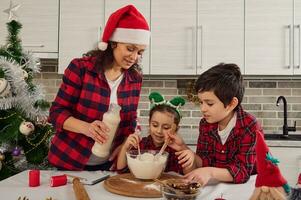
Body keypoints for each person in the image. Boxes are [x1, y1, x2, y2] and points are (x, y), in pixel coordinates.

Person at [48, 5, 150, 171]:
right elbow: (56, 113)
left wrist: (124, 145)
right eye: (130, 48)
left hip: (108, 166)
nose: (134, 57)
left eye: (140, 52)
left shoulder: (134, 79)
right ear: (113, 43)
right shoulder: (81, 69)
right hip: (70, 161)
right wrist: (87, 128)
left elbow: (129, 121)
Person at [169, 63, 263, 186]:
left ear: (231, 104)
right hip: (220, 186)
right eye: (201, 102)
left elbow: (243, 171)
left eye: (209, 103)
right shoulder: (205, 124)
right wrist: (184, 149)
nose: (203, 108)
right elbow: (205, 161)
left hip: (249, 187)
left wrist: (210, 172)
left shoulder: (249, 125)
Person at [116, 92, 194, 174]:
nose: (159, 131)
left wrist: (188, 154)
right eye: (155, 125)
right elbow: (121, 171)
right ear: (149, 124)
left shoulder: (177, 151)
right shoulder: (141, 145)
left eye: (166, 127)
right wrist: (125, 148)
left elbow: (187, 176)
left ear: (176, 129)